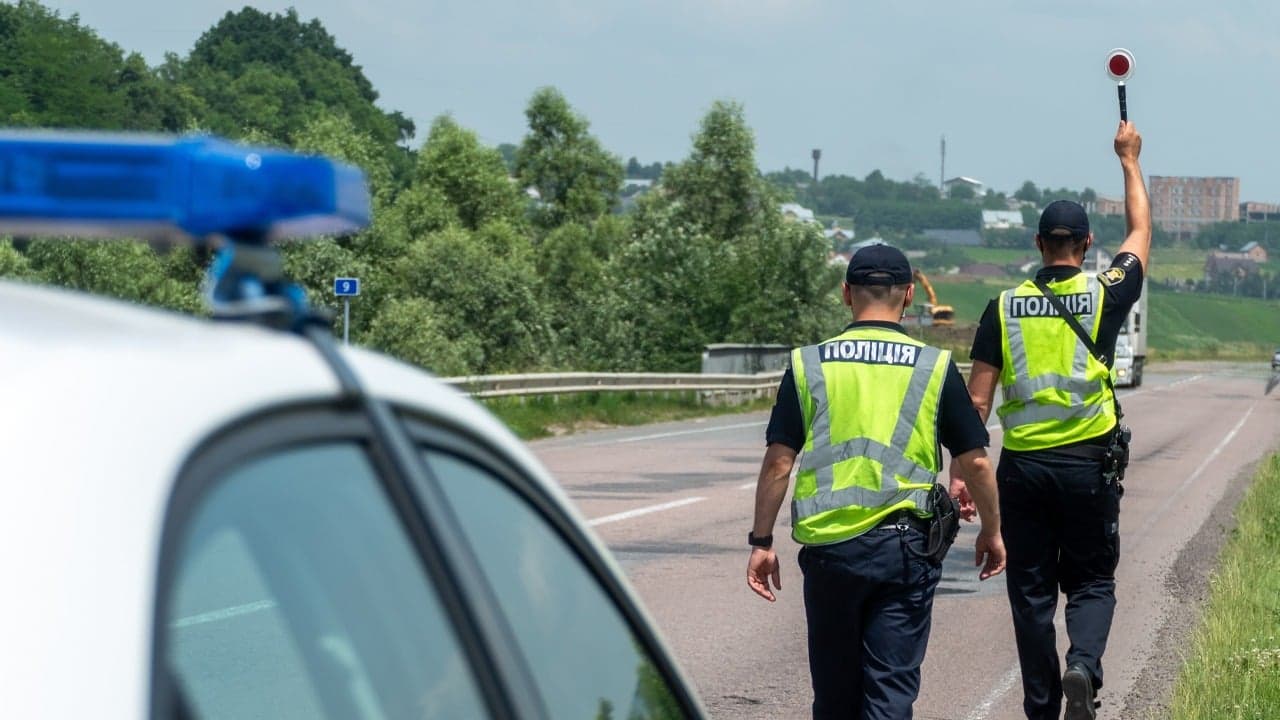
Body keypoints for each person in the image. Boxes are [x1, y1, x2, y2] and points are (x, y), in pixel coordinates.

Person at [747, 244, 1006, 720]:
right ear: (909, 296)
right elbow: (977, 464)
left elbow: (779, 463)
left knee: (835, 697)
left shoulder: (809, 364)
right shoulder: (934, 366)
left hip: (830, 552)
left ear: (847, 294)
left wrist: (761, 541)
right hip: (904, 552)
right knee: (890, 694)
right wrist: (991, 530)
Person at [950, 121, 1150, 720]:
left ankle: (1041, 708)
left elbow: (976, 406)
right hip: (1088, 466)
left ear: (1038, 246)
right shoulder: (1104, 293)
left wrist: (962, 473)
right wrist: (1129, 159)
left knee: (1030, 595)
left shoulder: (1003, 307)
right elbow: (1140, 231)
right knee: (1091, 582)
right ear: (1086, 245)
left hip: (1023, 471)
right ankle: (1083, 666)